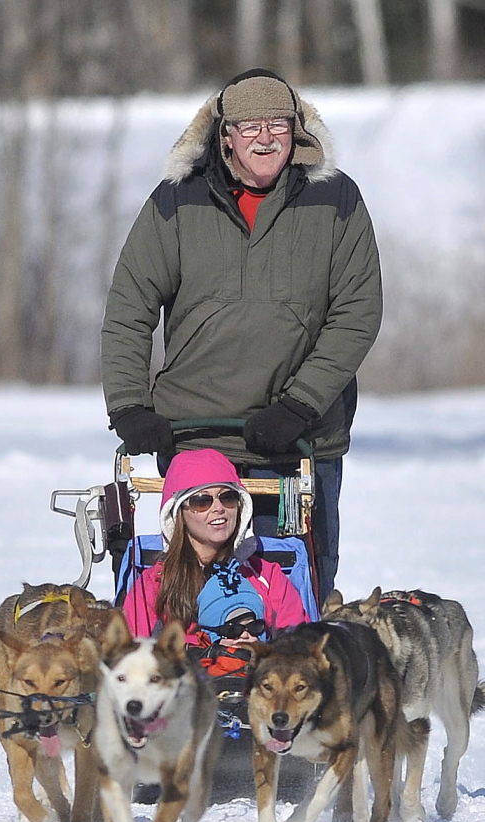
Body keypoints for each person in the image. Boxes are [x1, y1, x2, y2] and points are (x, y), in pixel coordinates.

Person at [100, 68, 383, 603]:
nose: (264, 137)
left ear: (296, 132)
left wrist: (300, 405)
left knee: (294, 588)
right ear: (225, 134)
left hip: (299, 437)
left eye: (276, 123)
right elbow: (129, 309)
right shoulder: (176, 201)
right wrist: (130, 405)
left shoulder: (336, 200)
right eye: (249, 125)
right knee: (186, 591)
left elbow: (357, 313)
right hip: (195, 433)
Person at [122, 448, 308, 641]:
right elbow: (132, 657)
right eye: (202, 501)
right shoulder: (153, 586)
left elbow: (299, 650)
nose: (218, 508)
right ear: (179, 514)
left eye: (228, 498)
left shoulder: (268, 577)